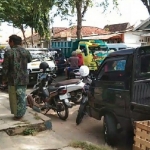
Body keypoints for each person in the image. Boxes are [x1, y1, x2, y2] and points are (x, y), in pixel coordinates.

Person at [2, 34, 32, 120]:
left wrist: (4, 79)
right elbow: (30, 60)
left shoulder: (9, 52)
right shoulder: (26, 51)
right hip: (24, 78)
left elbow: (5, 67)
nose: (9, 44)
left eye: (9, 42)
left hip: (13, 79)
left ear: (12, 42)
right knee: (21, 96)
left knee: (14, 97)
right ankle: (20, 113)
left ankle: (18, 114)